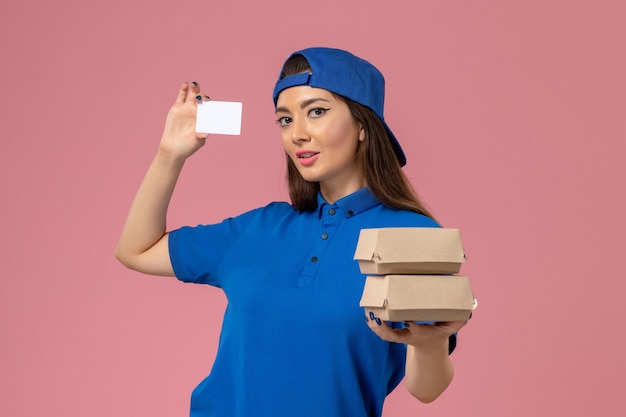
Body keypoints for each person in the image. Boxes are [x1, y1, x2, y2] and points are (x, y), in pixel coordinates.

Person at [115, 47, 468, 417]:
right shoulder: (259, 229)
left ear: (363, 125)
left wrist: (431, 344)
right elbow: (136, 249)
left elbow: (427, 390)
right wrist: (169, 155)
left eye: (316, 111)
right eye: (285, 120)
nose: (297, 134)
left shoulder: (413, 235)